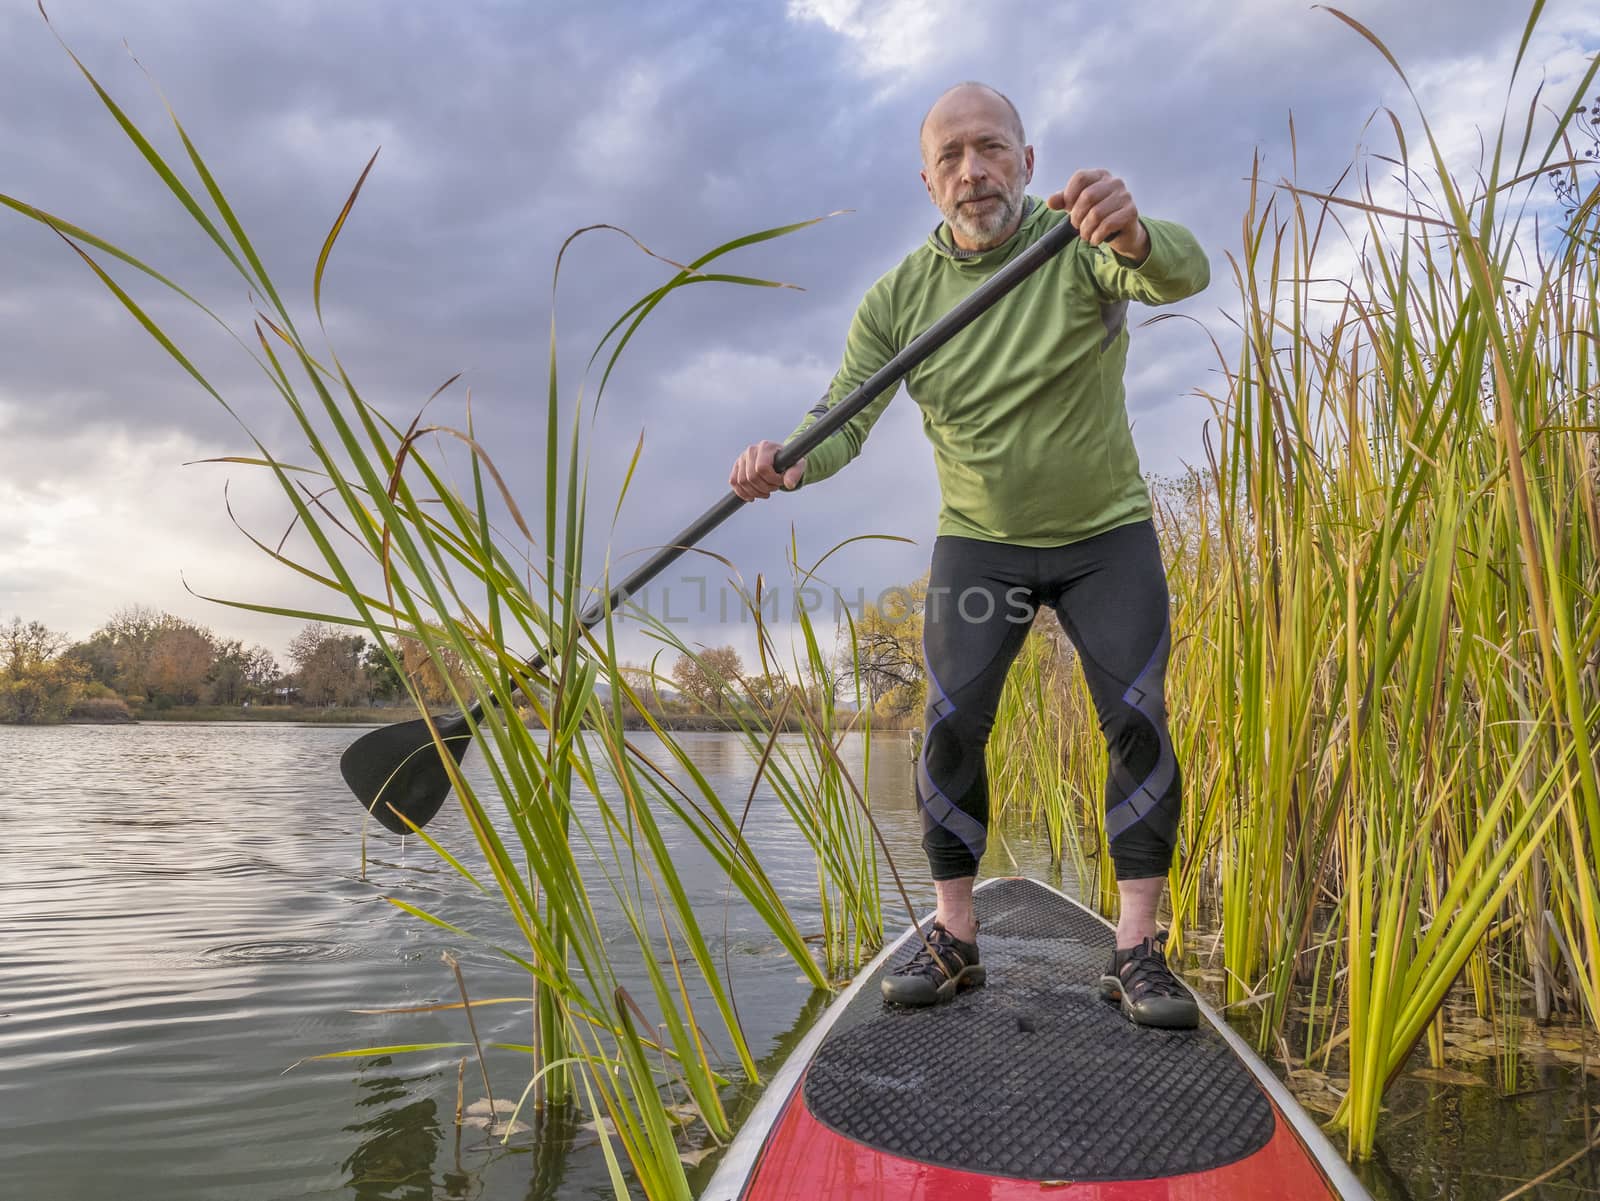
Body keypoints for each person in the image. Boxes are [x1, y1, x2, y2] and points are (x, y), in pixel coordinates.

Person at [728, 82, 1209, 1029]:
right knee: (948, 728)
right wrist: (782, 462)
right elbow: (842, 418)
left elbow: (1176, 275)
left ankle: (1138, 948)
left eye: (991, 149)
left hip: (1103, 536)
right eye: (951, 157)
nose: (973, 171)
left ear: (1027, 162)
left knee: (1139, 722)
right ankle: (955, 935)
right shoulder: (898, 299)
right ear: (928, 180)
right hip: (980, 547)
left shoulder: (1079, 241)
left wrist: (1134, 232)